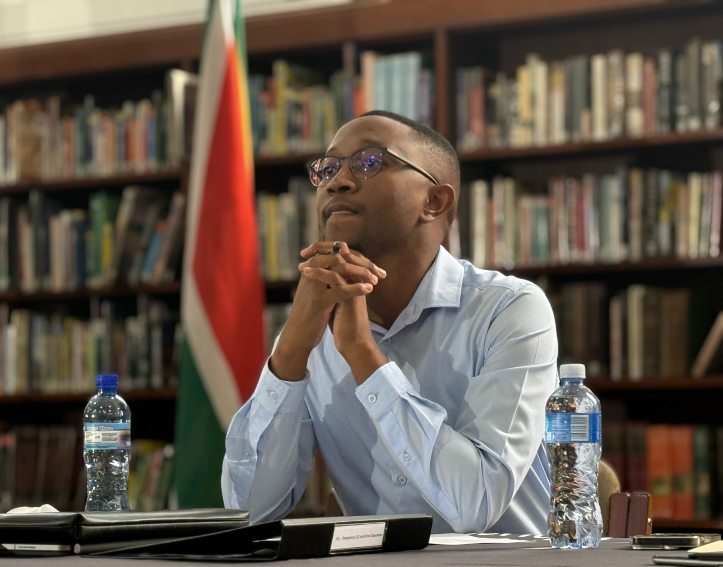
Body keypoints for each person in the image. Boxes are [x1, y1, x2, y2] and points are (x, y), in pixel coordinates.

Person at [221, 110, 558, 534]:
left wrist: (363, 354)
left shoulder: (508, 309)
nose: (337, 182)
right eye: (328, 168)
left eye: (369, 162)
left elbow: (475, 504)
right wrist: (290, 351)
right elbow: (249, 515)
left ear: (435, 202)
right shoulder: (313, 329)